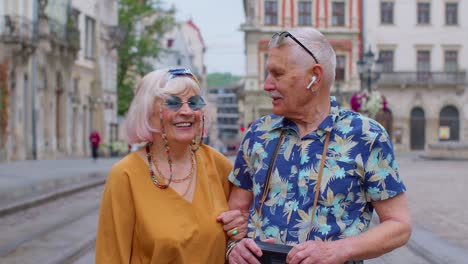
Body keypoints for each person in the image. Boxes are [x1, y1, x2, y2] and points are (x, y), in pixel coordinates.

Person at [225, 28, 412, 264]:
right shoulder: (257, 133)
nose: (267, 85)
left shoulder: (366, 136)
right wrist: (234, 245)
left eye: (277, 74)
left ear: (315, 76)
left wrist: (337, 250)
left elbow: (399, 225)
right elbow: (236, 213)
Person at [96, 68, 247, 263]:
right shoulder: (125, 175)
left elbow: (238, 232)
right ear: (147, 111)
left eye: (194, 103)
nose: (187, 111)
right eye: (173, 103)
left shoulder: (218, 165)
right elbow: (111, 256)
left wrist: (238, 230)